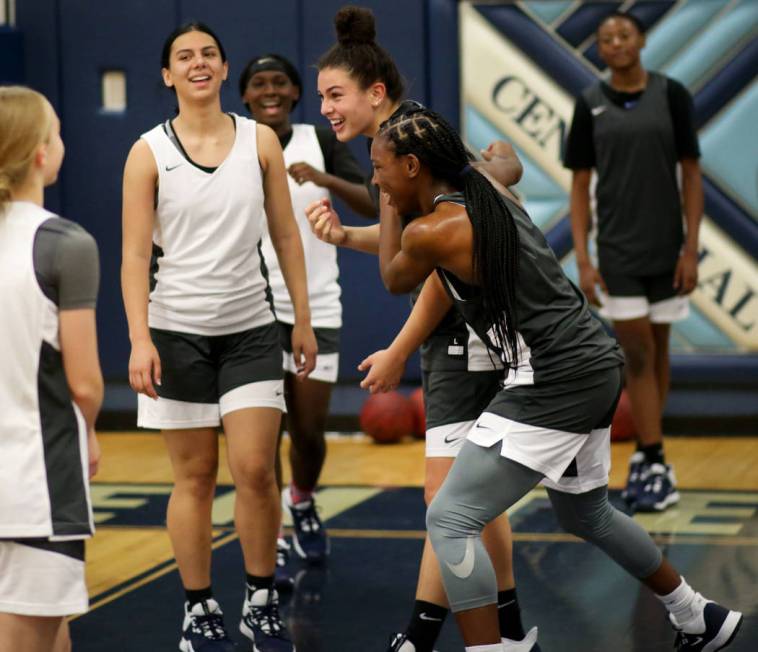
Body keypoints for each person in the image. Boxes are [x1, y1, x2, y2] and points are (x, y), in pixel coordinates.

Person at [359, 104, 742, 652]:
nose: (376, 179)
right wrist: (490, 159)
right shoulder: (485, 191)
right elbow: (508, 161)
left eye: (380, 168)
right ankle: (697, 615)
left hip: (554, 376)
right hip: (593, 361)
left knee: (449, 518)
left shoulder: (433, 229)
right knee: (587, 513)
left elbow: (395, 275)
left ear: (415, 167)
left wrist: (390, 203)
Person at [306, 7, 538, 652]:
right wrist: (343, 234)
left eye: (334, 94)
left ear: (374, 93)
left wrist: (396, 351)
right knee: (473, 503)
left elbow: (431, 264)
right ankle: (510, 631)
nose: (324, 107)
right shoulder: (411, 138)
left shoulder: (404, 147)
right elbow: (419, 245)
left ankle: (419, 637)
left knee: (448, 506)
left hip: (468, 338)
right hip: (482, 333)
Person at [121, 23, 317, 652]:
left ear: (223, 67)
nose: (198, 63)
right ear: (167, 75)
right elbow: (132, 258)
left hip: (251, 330)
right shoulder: (147, 152)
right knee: (196, 477)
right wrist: (138, 339)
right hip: (175, 331)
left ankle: (259, 600)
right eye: (185, 56)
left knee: (257, 469)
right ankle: (197, 606)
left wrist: (304, 319)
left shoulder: (260, 141)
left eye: (208, 54)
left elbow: (285, 235)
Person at [238, 53, 374, 575]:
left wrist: (323, 178)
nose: (269, 90)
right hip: (251, 306)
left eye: (280, 82)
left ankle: (302, 499)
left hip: (316, 303)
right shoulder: (238, 143)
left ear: (296, 93)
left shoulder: (319, 141)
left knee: (310, 429)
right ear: (246, 95)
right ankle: (270, 532)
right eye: (258, 83)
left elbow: (370, 202)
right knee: (263, 435)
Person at [564, 11, 703, 512]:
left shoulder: (672, 96)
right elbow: (580, 187)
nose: (616, 43)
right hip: (618, 252)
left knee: (658, 353)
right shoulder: (589, 105)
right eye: (605, 39)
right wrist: (583, 259)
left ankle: (648, 454)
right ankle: (655, 456)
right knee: (637, 356)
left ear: (641, 41)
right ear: (599, 49)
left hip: (667, 251)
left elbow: (691, 175)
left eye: (624, 34)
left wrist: (690, 249)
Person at [0, 86, 103, 652]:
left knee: (52, 634)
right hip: (34, 486)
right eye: (56, 131)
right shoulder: (65, 244)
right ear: (41, 153)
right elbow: (86, 383)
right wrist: (86, 429)